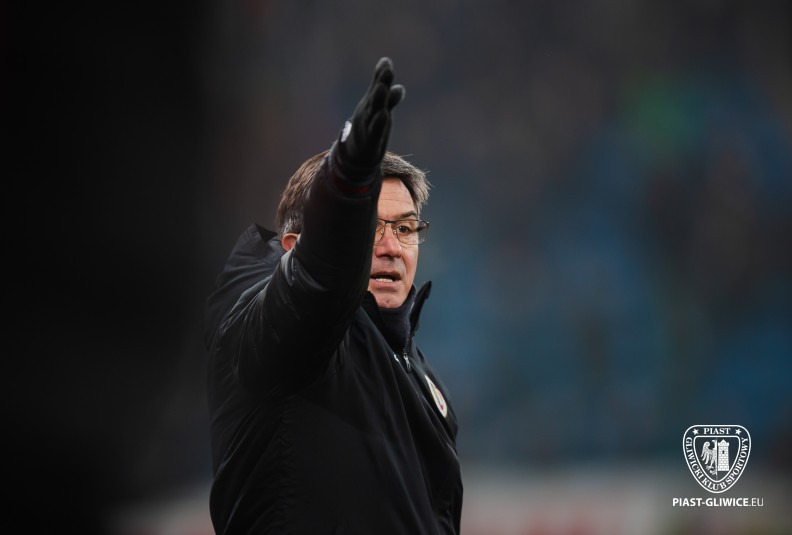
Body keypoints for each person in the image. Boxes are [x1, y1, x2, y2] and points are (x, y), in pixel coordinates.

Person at [204, 57, 462, 534]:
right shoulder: (271, 330)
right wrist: (346, 182)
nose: (391, 247)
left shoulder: (425, 381)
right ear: (292, 249)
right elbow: (317, 286)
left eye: (406, 229)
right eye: (370, 228)